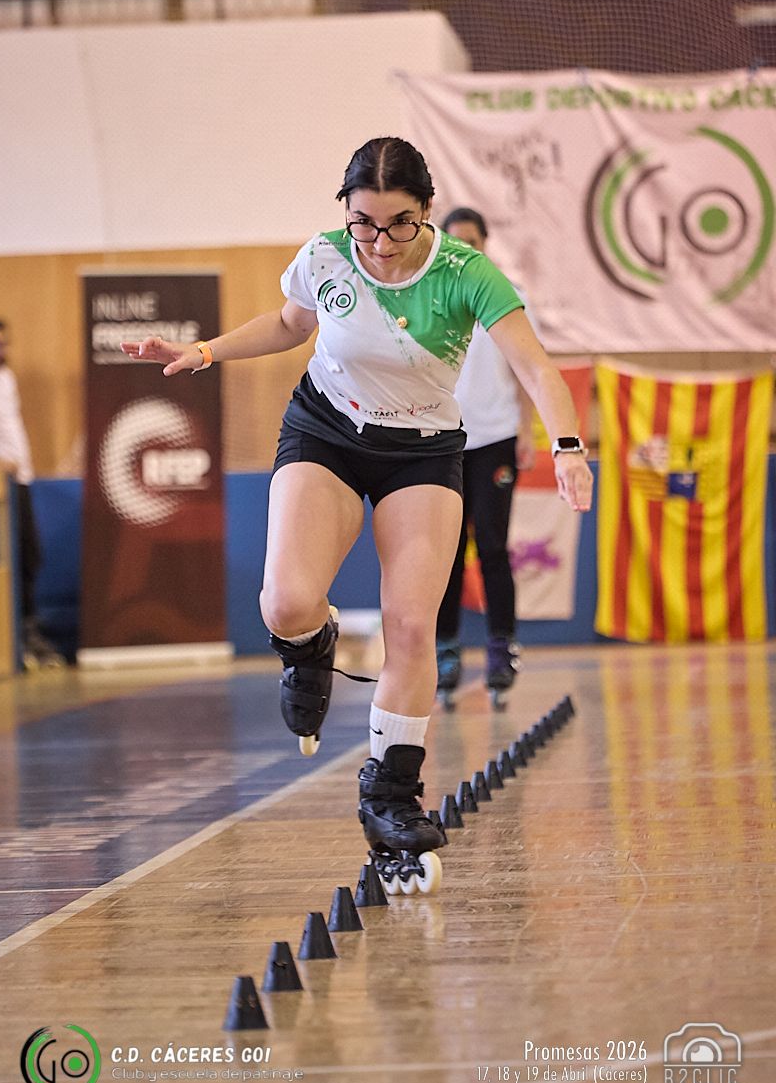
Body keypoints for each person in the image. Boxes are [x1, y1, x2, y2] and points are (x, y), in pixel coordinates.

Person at [122, 137, 593, 893]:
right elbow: (289, 324)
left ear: (427, 212)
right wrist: (205, 350)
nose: (378, 244)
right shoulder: (326, 255)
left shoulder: (465, 274)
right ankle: (311, 647)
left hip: (424, 450)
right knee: (285, 601)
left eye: (398, 224)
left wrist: (568, 449)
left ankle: (391, 795)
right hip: (326, 431)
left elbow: (536, 364)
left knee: (412, 623)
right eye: (363, 223)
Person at [434, 207, 535, 705]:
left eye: (473, 241)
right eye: (457, 242)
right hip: (443, 440)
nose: (466, 250)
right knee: (447, 554)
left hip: (496, 436)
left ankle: (500, 646)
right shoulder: (432, 292)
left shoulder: (506, 296)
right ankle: (446, 648)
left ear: (486, 244)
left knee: (492, 546)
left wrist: (529, 431)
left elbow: (526, 367)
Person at [0, 319, 64, 668]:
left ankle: (28, 631)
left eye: (3, 344)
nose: (1, 351)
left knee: (30, 556)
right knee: (12, 562)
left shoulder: (5, 380)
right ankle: (12, 639)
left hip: (21, 480)